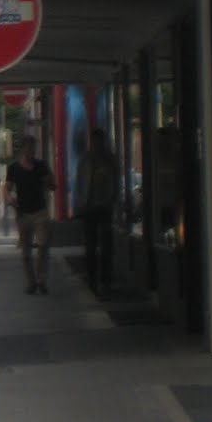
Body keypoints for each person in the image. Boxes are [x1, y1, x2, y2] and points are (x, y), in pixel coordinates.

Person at [6, 135, 56, 294]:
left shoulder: (41, 166)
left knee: (43, 245)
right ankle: (31, 282)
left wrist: (49, 181)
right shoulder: (14, 168)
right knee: (26, 250)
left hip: (40, 211)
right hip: (23, 213)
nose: (31, 151)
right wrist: (9, 199)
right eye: (28, 148)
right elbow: (7, 188)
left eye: (33, 148)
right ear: (23, 149)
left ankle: (41, 279)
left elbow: (53, 186)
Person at [75, 127, 118, 297]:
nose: (96, 145)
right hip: (89, 207)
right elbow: (79, 183)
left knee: (106, 246)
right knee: (90, 246)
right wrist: (80, 203)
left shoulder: (109, 160)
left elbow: (115, 180)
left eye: (99, 142)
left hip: (105, 206)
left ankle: (106, 280)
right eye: (94, 142)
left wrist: (113, 199)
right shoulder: (85, 160)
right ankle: (92, 279)